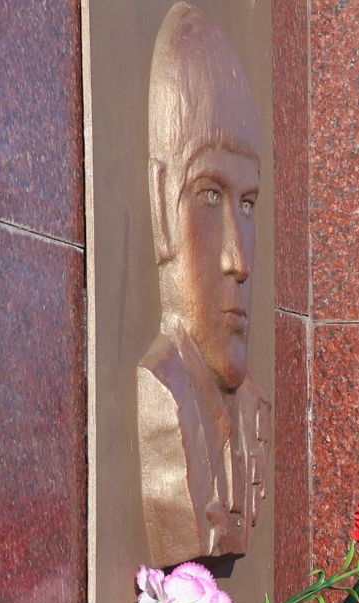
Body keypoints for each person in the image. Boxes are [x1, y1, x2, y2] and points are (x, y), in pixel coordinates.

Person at [138, 2, 270, 568]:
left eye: (248, 203)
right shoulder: (160, 398)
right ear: (161, 209)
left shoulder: (257, 415)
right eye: (210, 196)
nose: (238, 260)